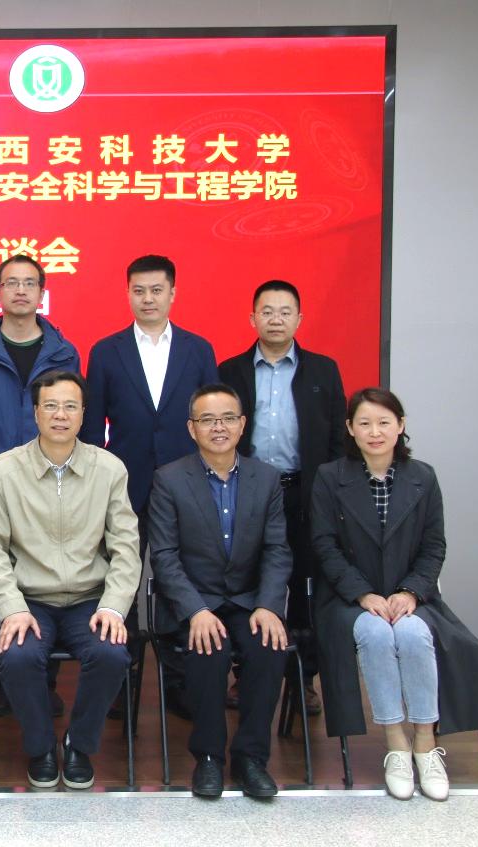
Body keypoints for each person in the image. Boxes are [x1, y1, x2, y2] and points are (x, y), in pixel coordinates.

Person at [310, 387, 478, 801]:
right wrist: (363, 594)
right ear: (350, 428)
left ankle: (425, 743)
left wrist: (411, 592)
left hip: (411, 597)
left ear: (400, 426)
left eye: (384, 422)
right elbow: (324, 545)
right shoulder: (330, 477)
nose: (375, 432)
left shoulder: (423, 477)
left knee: (414, 634)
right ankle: (396, 743)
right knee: (377, 634)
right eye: (365, 423)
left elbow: (434, 546)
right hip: (348, 600)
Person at [0, 370, 141, 790]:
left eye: (70, 406)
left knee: (111, 654)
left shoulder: (109, 469)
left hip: (90, 598)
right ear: (35, 413)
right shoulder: (2, 470)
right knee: (17, 656)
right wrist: (11, 609)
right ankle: (42, 748)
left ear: (84, 413)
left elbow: (126, 547)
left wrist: (113, 607)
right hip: (30, 599)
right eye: (50, 406)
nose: (60, 415)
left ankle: (78, 745)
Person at [81, 254, 217, 718]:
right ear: (128, 294)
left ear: (173, 293)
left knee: (183, 578)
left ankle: (180, 681)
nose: (148, 299)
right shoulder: (107, 351)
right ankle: (121, 682)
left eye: (157, 290)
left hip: (187, 483)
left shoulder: (198, 350)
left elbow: (213, 419)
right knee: (120, 580)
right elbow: (90, 429)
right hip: (125, 483)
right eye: (139, 291)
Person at [147, 383, 292, 798]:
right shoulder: (169, 480)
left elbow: (277, 550)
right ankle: (209, 757)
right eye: (207, 419)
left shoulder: (266, 479)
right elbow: (165, 556)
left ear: (243, 424)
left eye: (228, 418)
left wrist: (269, 605)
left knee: (268, 647)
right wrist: (195, 610)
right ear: (191, 428)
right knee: (208, 648)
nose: (219, 427)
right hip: (195, 603)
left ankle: (251, 759)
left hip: (249, 602)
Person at [0, 253, 79, 718]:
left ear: (42, 293)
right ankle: (1, 681)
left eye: (30, 283)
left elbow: (75, 424)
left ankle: (41, 681)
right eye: (12, 283)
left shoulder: (64, 353)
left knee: (46, 582)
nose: (21, 290)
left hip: (51, 487)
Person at [219, 279, 345, 715]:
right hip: (248, 495)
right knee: (246, 582)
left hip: (304, 494)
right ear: (252, 318)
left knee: (305, 586)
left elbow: (337, 439)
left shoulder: (323, 371)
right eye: (267, 311)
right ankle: (244, 675)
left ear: (299, 319)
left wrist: (329, 495)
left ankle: (302, 680)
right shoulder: (230, 371)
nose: (275, 319)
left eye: (285, 311)